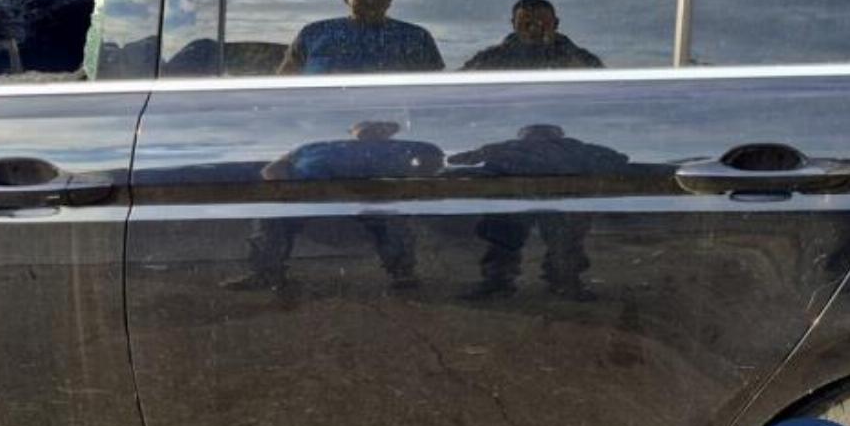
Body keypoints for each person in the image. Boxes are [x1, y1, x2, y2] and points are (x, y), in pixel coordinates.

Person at [230, 120, 444, 295]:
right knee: (271, 218)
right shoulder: (314, 146)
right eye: (364, 126)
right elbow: (272, 169)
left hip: (371, 199)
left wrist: (406, 186)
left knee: (391, 219)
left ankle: (403, 274)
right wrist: (289, 190)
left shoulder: (407, 146)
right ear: (352, 131)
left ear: (389, 132)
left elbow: (434, 161)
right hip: (308, 199)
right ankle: (266, 274)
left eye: (379, 127)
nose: (371, 130)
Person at [447, 124, 629, 300]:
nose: (539, 140)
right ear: (559, 134)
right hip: (550, 204)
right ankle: (564, 283)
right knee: (562, 245)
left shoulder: (505, 147)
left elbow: (457, 160)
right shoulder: (576, 147)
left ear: (523, 135)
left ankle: (501, 283)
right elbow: (618, 159)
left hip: (521, 204)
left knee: (508, 244)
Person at [279, 0, 444, 75]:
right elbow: (286, 77)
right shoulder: (315, 33)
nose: (371, 1)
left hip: (395, 115)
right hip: (315, 117)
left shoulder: (415, 36)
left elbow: (434, 85)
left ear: (390, 1)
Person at [462, 0, 603, 71]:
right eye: (526, 24)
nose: (534, 29)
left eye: (542, 23)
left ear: (555, 24)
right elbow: (459, 87)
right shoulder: (491, 59)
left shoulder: (580, 59)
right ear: (514, 25)